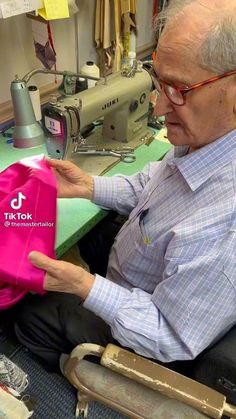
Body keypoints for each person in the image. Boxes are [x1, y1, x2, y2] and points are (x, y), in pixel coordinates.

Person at [14, 0, 236, 373]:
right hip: (141, 274)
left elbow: (169, 337)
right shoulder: (206, 138)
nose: (159, 108)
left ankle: (83, 381)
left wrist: (85, 286)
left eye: (179, 90)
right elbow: (153, 185)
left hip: (151, 336)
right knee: (89, 235)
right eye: (158, 82)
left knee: (31, 314)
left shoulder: (226, 230)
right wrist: (89, 186)